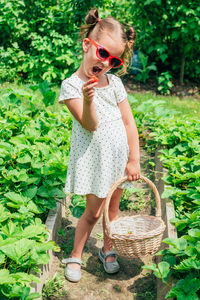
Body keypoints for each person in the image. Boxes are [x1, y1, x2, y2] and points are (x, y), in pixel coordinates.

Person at [59, 8, 140, 282]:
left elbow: (129, 123)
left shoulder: (114, 83)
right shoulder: (71, 86)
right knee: (93, 213)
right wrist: (89, 98)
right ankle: (76, 254)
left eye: (113, 60)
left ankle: (108, 248)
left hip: (118, 160)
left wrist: (134, 159)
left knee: (113, 210)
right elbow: (89, 124)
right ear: (86, 44)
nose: (105, 63)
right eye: (102, 53)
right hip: (95, 161)